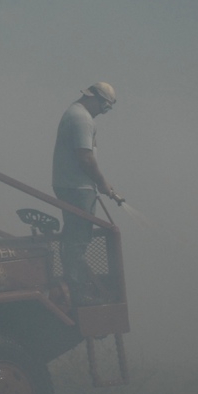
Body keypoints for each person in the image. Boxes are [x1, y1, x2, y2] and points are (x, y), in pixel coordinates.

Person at [51, 81, 123, 304]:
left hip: (69, 184)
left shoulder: (73, 112)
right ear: (95, 98)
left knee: (73, 237)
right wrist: (102, 182)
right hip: (77, 188)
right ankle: (78, 292)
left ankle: (74, 286)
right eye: (105, 106)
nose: (104, 112)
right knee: (78, 240)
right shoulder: (82, 119)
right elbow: (85, 156)